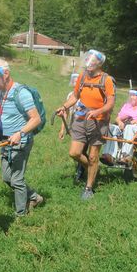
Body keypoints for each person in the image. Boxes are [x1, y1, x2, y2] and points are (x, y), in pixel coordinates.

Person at [0, 58, 44, 216]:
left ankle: (21, 215)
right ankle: (34, 197)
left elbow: (36, 118)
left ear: (6, 73)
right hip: (6, 141)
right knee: (7, 178)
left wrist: (20, 133)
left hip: (21, 142)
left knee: (17, 180)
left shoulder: (22, 93)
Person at [57, 49, 115, 200]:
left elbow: (110, 103)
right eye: (87, 60)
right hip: (81, 118)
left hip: (98, 121)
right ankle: (92, 168)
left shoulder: (106, 80)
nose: (88, 63)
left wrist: (98, 111)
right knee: (74, 153)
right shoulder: (82, 76)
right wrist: (64, 107)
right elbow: (75, 96)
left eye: (91, 61)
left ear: (99, 63)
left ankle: (89, 188)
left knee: (93, 156)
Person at [58, 73, 79, 141]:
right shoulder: (70, 95)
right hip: (71, 128)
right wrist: (62, 130)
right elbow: (66, 113)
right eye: (74, 81)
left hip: (80, 128)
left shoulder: (84, 96)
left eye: (76, 82)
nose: (74, 84)